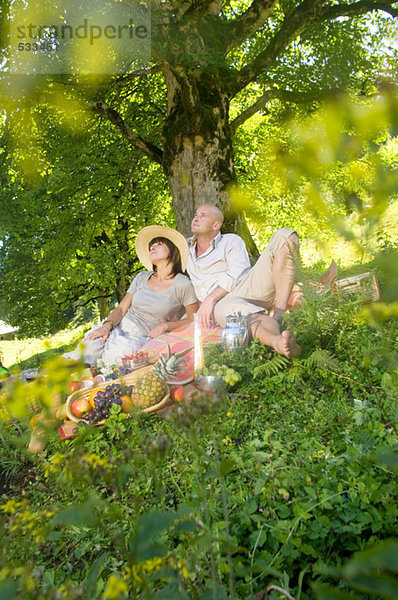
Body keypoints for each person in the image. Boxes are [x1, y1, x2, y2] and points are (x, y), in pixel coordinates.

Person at [63, 226, 199, 366]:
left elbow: (193, 318)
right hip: (117, 326)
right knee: (84, 351)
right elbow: (121, 309)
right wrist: (106, 326)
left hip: (140, 337)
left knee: (113, 361)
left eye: (159, 244)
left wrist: (166, 326)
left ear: (173, 250)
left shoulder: (182, 283)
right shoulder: (141, 277)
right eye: (151, 245)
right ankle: (46, 379)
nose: (152, 247)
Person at [186, 204, 301, 358]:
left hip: (246, 289)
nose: (196, 218)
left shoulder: (230, 241)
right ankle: (279, 342)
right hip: (220, 305)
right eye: (195, 214)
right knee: (232, 310)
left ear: (216, 225)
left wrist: (210, 298)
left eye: (203, 215)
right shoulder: (184, 248)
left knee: (285, 235)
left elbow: (238, 272)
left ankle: (279, 314)